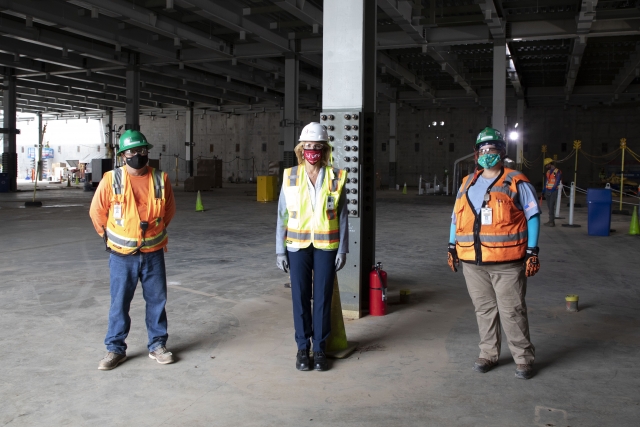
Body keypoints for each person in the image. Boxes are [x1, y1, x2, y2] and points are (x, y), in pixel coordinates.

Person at [447, 127, 541, 380]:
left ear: (502, 152)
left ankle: (523, 358)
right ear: (476, 153)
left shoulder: (516, 180)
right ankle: (488, 354)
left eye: (493, 149)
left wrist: (532, 251)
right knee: (484, 310)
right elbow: (456, 217)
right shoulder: (468, 182)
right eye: (483, 149)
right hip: (472, 262)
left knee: (512, 310)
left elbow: (533, 216)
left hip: (507, 263)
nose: (488, 153)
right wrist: (451, 246)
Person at [89, 130, 176, 370]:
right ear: (123, 155)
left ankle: (158, 345)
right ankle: (115, 349)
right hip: (121, 256)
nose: (138, 155)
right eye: (133, 151)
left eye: (142, 150)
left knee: (157, 300)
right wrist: (107, 237)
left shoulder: (161, 178)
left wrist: (152, 235)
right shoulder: (111, 179)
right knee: (119, 303)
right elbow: (97, 212)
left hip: (153, 253)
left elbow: (168, 211)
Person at [275, 122, 348, 372]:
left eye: (317, 146)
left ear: (324, 149)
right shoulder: (290, 176)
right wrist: (279, 249)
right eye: (308, 146)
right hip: (297, 246)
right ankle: (301, 348)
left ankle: (319, 348)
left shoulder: (336, 177)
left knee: (323, 298)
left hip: (327, 246)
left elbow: (343, 215)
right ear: (300, 149)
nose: (312, 151)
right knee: (300, 297)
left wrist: (343, 248)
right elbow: (282, 215)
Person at [542, 158, 562, 227]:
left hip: (553, 191)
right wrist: (544, 188)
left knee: (551, 206)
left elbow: (557, 181)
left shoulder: (557, 171)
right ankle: (550, 220)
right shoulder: (548, 172)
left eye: (547, 165)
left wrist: (553, 189)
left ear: (550, 164)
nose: (546, 167)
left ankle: (551, 222)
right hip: (548, 190)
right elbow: (547, 181)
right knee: (549, 206)